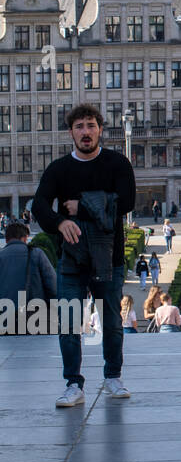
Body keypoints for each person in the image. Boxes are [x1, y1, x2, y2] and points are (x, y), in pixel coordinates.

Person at [32, 103, 136, 407]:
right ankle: (73, 383)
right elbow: (39, 205)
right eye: (79, 127)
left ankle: (113, 376)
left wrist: (83, 207)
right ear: (71, 133)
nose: (86, 132)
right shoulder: (59, 168)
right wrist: (60, 221)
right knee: (68, 323)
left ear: (100, 129)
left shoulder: (117, 163)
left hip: (110, 258)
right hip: (72, 260)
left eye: (91, 125)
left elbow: (127, 201)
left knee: (112, 323)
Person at [0, 221, 57, 335]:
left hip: (5, 319)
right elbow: (52, 285)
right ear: (25, 238)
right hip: (35, 317)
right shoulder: (37, 254)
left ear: (6, 239)